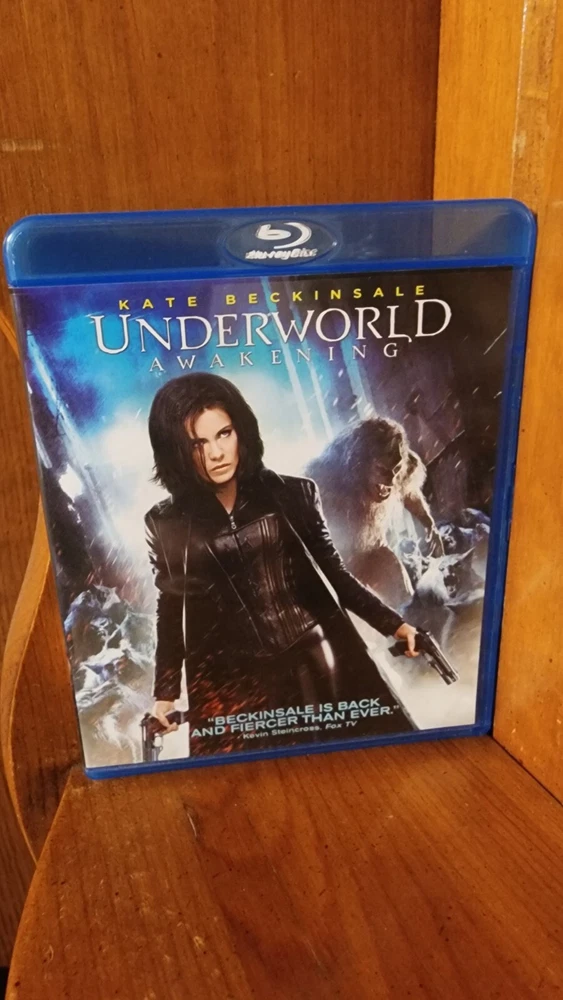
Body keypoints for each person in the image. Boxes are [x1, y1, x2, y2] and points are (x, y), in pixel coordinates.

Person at [145, 373, 419, 754]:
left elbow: (336, 575)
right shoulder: (165, 522)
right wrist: (165, 694)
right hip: (235, 677)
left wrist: (394, 624)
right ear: (176, 451)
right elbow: (172, 607)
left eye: (224, 434)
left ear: (241, 431)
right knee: (253, 775)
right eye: (198, 443)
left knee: (333, 758)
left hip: (309, 653)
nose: (216, 453)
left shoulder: (294, 493)